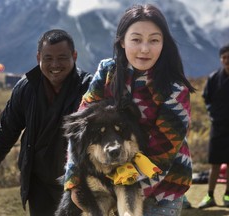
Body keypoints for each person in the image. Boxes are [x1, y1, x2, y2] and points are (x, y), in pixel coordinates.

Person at [64, 4, 196, 216]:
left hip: (162, 189)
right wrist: (73, 181)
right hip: (106, 182)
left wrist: (124, 199)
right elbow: (79, 132)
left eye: (154, 40)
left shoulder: (174, 90)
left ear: (164, 44)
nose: (145, 48)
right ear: (122, 41)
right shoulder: (107, 72)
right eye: (136, 39)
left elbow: (161, 157)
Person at [0, 29, 92, 215]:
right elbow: (8, 126)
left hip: (76, 180)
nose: (55, 65)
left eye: (62, 58)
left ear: (74, 56)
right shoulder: (27, 87)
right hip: (37, 181)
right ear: (38, 57)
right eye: (48, 58)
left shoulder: (88, 88)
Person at [198, 44, 229, 209]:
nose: (227, 61)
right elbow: (206, 98)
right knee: (215, 164)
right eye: (224, 58)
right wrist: (212, 114)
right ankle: (209, 195)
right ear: (220, 59)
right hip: (217, 127)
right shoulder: (213, 78)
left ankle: (227, 195)